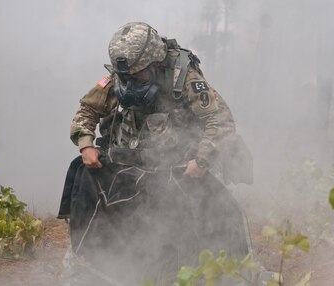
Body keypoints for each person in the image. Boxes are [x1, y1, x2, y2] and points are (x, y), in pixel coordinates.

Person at [60, 22, 253, 285]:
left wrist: (203, 160)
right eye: (124, 77)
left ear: (154, 65)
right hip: (132, 163)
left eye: (137, 76)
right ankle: (91, 259)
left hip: (180, 166)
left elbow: (220, 119)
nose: (128, 83)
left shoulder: (183, 77)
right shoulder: (118, 77)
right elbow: (86, 110)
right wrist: (86, 144)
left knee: (204, 216)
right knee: (83, 177)